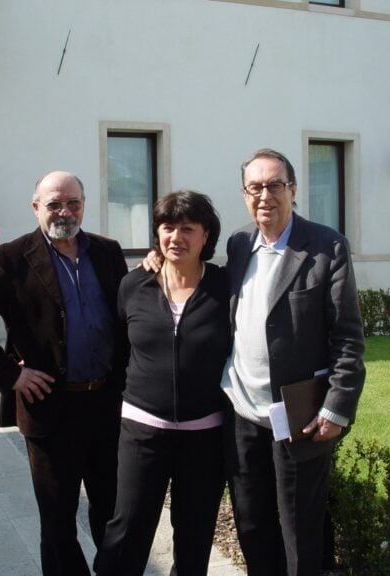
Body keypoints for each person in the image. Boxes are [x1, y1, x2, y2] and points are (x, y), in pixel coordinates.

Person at [0, 171, 128, 576]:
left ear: (84, 204)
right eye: (54, 204)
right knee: (58, 520)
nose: (65, 211)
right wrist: (10, 376)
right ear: (36, 208)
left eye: (74, 203)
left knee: (115, 514)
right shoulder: (12, 258)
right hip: (51, 410)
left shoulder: (107, 251)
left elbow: (129, 311)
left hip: (107, 406)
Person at [222, 148, 366, 575]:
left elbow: (347, 336)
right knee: (251, 524)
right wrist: (155, 257)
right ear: (245, 194)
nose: (264, 195)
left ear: (293, 190)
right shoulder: (237, 244)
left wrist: (337, 406)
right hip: (242, 412)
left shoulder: (326, 246)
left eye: (274, 185)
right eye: (255, 187)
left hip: (299, 415)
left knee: (300, 531)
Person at [97, 191, 231, 575]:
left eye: (188, 229)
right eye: (167, 228)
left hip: (204, 437)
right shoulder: (133, 286)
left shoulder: (226, 288)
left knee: (194, 535)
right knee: (126, 530)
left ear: (206, 236)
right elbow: (119, 350)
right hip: (142, 430)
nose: (176, 237)